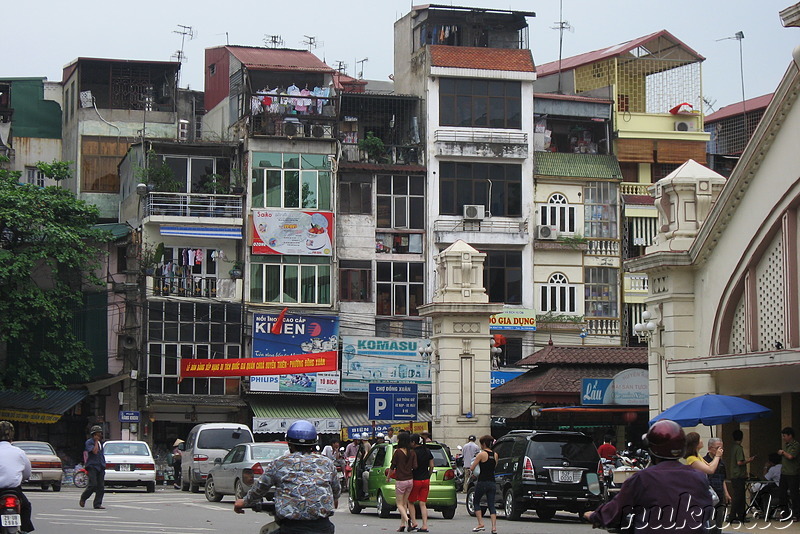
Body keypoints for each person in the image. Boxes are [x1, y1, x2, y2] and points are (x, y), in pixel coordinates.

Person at [584, 419, 714, 533]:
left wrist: (595, 516)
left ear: (652, 449)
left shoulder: (643, 478)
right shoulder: (698, 477)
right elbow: (707, 509)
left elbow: (617, 507)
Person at [234, 420, 340, 534]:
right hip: (323, 528)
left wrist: (245, 502)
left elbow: (260, 488)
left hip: (291, 528)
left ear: (289, 444)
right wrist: (334, 499)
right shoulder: (327, 463)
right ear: (314, 444)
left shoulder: (279, 463)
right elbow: (336, 491)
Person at [0, 421, 34, 533]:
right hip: (14, 491)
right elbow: (27, 472)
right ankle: (24, 530)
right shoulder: (19, 452)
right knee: (26, 507)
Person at [387, 431, 417, 532]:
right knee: (404, 503)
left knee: (399, 504)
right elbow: (415, 466)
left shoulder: (398, 452)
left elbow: (392, 466)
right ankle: (402, 524)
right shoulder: (412, 452)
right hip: (410, 480)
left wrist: (388, 477)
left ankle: (408, 520)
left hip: (401, 480)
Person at [704, 437, 731, 533]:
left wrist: (726, 493)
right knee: (711, 525)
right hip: (709, 496)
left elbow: (722, 479)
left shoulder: (722, 463)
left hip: (720, 495)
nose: (720, 451)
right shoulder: (704, 461)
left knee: (719, 526)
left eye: (721, 448)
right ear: (710, 448)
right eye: (717, 448)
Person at [471, 435, 498, 534]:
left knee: (476, 502)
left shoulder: (481, 454)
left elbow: (472, 467)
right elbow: (494, 466)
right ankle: (494, 527)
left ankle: (480, 523)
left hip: (482, 481)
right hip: (492, 482)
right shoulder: (495, 454)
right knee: (491, 504)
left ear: (483, 444)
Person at [408, 433, 434, 533]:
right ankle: (425, 525)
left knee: (411, 502)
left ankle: (414, 522)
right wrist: (429, 475)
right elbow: (431, 465)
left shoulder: (413, 452)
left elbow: (410, 466)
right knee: (423, 503)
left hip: (416, 479)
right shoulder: (427, 451)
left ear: (413, 442)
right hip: (425, 480)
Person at [730, 429, 755, 523]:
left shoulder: (733, 447)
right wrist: (749, 460)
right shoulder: (739, 448)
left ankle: (741, 515)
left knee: (740, 496)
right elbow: (739, 462)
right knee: (738, 497)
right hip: (738, 475)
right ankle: (733, 516)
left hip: (734, 474)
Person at [80, 424, 106, 510]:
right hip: (92, 466)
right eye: (97, 434)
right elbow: (94, 452)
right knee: (93, 485)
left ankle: (97, 504)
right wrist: (95, 442)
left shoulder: (101, 443)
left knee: (101, 486)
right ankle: (84, 497)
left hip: (100, 466)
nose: (99, 436)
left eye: (100, 434)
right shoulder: (89, 442)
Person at [778, 426, 800, 521]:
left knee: (794, 494)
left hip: (793, 473)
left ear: (790, 436)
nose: (783, 438)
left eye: (784, 436)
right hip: (784, 473)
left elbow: (791, 456)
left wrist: (783, 452)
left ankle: (796, 514)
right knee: (782, 494)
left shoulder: (795, 445)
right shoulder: (785, 445)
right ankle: (785, 512)